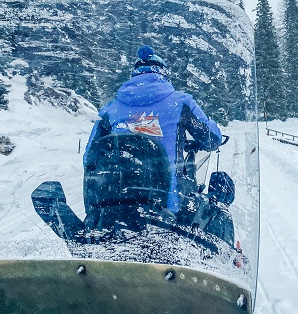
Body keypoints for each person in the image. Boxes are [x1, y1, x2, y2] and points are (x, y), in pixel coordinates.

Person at [83, 45, 223, 216]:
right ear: (163, 74)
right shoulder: (179, 103)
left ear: (134, 76)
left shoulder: (110, 110)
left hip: (114, 203)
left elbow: (90, 156)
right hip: (169, 204)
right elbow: (212, 139)